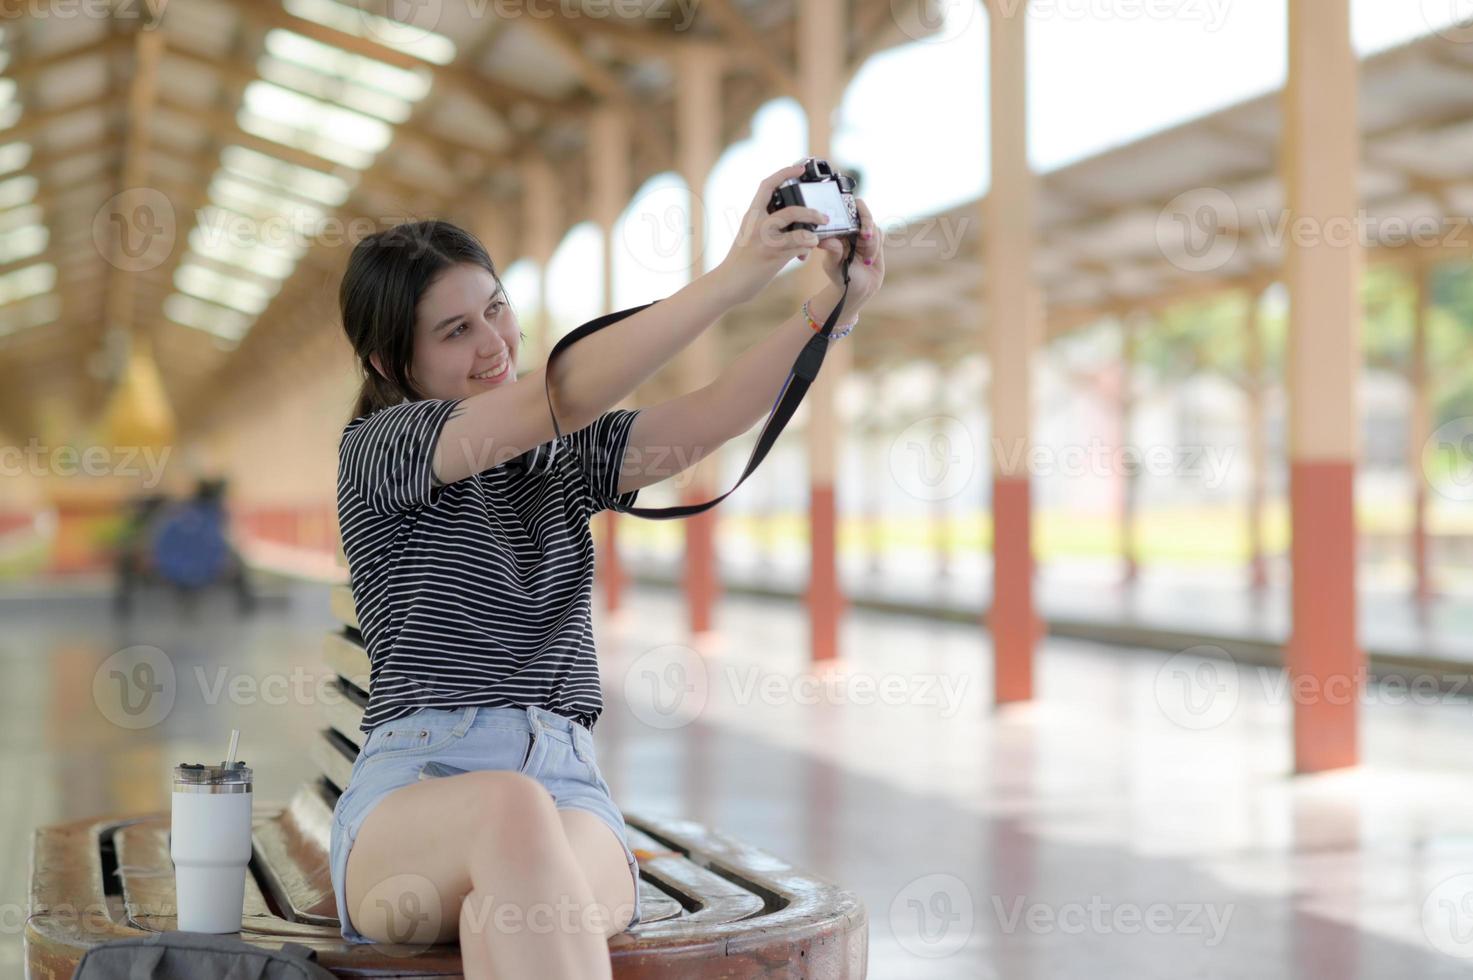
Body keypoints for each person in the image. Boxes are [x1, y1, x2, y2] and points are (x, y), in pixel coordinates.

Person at [328, 163, 885, 978]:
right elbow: (560, 395)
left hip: (567, 785)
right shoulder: (384, 449)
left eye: (495, 310)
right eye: (454, 333)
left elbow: (708, 416)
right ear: (389, 364)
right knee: (508, 815)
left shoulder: (555, 456)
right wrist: (736, 275)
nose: (492, 345)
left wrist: (832, 309)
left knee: (508, 912)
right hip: (416, 794)